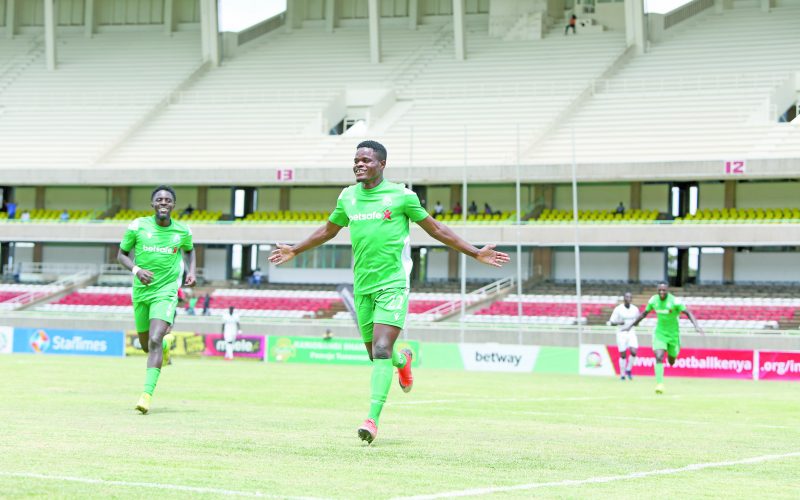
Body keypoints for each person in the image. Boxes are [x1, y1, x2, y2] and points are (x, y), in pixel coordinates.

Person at [269, 140, 510, 444]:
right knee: (375, 354)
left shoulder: (401, 196)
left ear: (381, 164)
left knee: (381, 348)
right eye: (356, 160)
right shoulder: (348, 197)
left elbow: (437, 230)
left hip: (393, 284)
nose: (359, 164)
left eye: (366, 160)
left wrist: (475, 253)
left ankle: (371, 420)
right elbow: (328, 231)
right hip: (363, 286)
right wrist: (295, 249)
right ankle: (403, 361)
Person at [118, 185, 196, 414]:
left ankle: (146, 396)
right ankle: (166, 343)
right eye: (159, 200)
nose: (163, 203)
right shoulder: (137, 226)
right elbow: (121, 255)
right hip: (141, 292)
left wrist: (191, 271)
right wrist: (136, 270)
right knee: (146, 345)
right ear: (152, 204)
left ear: (173, 205)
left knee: (154, 338)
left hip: (166, 291)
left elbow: (190, 250)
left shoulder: (182, 231)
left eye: (168, 200)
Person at [623, 282, 704, 394]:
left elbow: (688, 313)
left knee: (671, 360)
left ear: (667, 290)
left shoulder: (675, 301)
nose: (661, 292)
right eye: (659, 290)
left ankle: (673, 354)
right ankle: (659, 384)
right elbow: (643, 314)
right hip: (659, 333)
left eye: (664, 290)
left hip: (673, 335)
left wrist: (696, 326)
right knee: (659, 356)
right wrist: (630, 326)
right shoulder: (653, 300)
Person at [609, 291, 640, 380]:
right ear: (624, 299)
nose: (628, 299)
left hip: (631, 332)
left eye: (630, 297)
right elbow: (611, 322)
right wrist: (619, 322)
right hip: (621, 333)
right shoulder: (618, 309)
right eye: (626, 297)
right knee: (623, 354)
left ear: (631, 299)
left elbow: (637, 321)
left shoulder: (635, 309)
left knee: (634, 351)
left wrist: (635, 324)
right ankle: (622, 374)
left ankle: (629, 369)